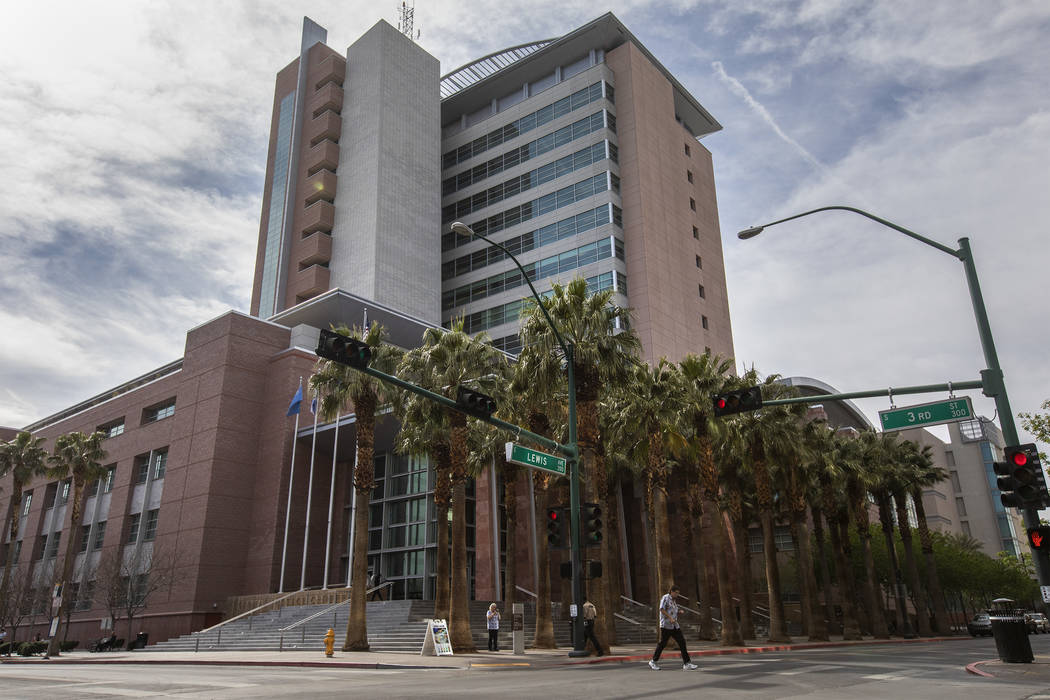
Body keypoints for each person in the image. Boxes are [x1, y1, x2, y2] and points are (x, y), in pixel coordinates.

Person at [648, 584, 698, 671]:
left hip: (674, 626)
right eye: (676, 593)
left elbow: (673, 610)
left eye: (678, 593)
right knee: (662, 644)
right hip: (666, 625)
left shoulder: (673, 601)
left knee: (682, 642)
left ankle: (687, 663)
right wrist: (670, 618)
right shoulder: (665, 598)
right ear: (671, 591)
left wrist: (679, 611)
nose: (677, 595)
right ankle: (653, 661)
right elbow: (662, 609)